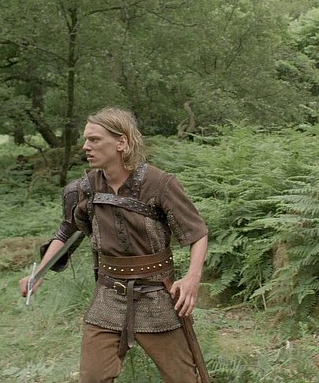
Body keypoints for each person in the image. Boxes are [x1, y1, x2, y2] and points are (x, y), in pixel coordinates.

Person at [19, 107, 210, 383]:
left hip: (155, 293)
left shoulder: (159, 183)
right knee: (93, 377)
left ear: (121, 142)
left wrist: (192, 279)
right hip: (109, 295)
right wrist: (38, 275)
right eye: (86, 139)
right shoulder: (83, 189)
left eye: (95, 139)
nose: (86, 146)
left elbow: (197, 232)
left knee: (182, 378)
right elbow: (67, 233)